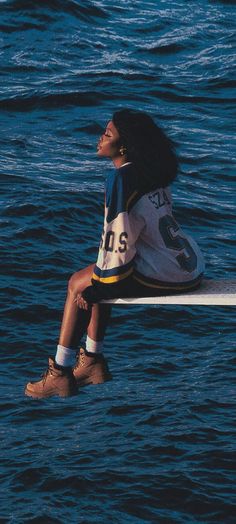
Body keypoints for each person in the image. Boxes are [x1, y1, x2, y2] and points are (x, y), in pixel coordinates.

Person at [25, 109, 205, 399]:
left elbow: (117, 237)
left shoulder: (121, 180)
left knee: (77, 284)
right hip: (188, 267)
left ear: (123, 146)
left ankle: (60, 373)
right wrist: (102, 281)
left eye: (107, 134)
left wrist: (100, 286)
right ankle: (93, 360)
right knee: (97, 275)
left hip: (167, 274)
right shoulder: (149, 170)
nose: (99, 138)